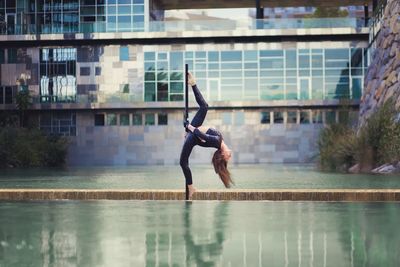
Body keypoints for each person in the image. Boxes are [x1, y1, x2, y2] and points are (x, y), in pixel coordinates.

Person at [180, 73, 233, 199]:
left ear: (222, 154)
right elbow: (200, 135)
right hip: (193, 132)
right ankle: (193, 83)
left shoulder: (217, 141)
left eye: (226, 159)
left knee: (183, 162)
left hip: (193, 134)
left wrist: (189, 127)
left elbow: (200, 134)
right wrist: (190, 129)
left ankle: (191, 187)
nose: (229, 158)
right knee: (204, 107)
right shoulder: (220, 141)